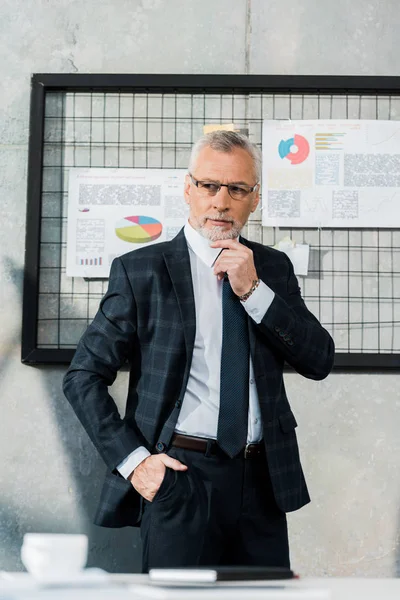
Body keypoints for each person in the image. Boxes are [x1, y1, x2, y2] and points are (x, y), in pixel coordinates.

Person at [63, 130, 334, 572]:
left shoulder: (273, 269)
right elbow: (82, 377)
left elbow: (319, 360)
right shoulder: (142, 271)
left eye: (237, 189)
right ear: (188, 189)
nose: (221, 202)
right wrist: (137, 464)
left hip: (263, 481)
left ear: (255, 198)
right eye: (209, 186)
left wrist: (255, 293)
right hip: (181, 477)